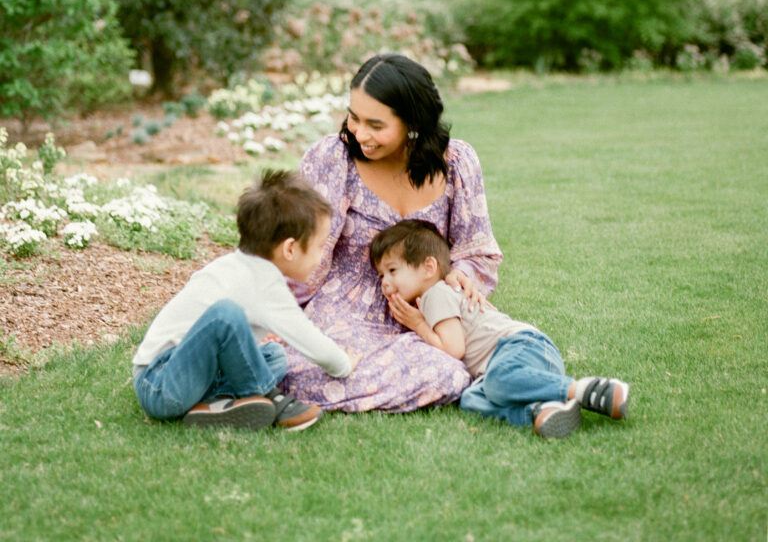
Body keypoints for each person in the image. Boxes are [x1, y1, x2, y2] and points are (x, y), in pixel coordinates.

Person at [281, 52, 502, 412]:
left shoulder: (457, 163)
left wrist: (459, 276)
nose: (360, 133)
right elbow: (295, 247)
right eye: (354, 118)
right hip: (345, 312)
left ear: (413, 123)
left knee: (448, 372)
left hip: (429, 313)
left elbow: (477, 249)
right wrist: (273, 310)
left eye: (376, 125)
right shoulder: (333, 159)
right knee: (309, 363)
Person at [132, 169, 356, 432]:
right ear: (290, 249)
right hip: (159, 383)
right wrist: (343, 364)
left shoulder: (239, 266)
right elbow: (308, 338)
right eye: (320, 247)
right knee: (226, 314)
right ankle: (269, 398)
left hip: (188, 376)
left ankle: (217, 406)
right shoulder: (264, 283)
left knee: (274, 356)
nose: (322, 257)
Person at [370, 218, 630, 438]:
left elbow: (453, 350)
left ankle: (586, 390)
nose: (385, 282)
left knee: (497, 381)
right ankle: (543, 409)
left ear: (429, 267)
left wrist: (418, 325)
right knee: (471, 399)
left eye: (392, 270)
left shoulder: (435, 294)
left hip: (522, 348)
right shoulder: (431, 297)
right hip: (518, 369)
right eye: (381, 275)